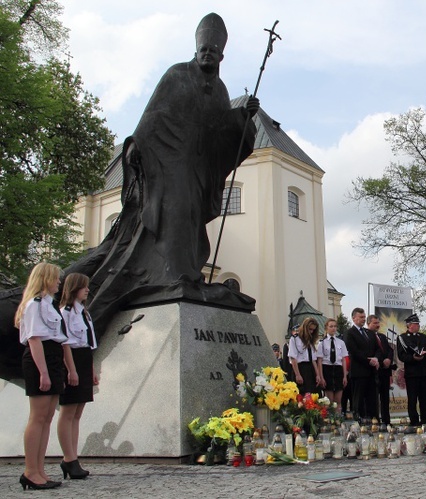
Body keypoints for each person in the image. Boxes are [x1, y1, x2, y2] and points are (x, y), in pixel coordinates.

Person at [60, 13, 261, 333]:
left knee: (192, 218)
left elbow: (220, 132)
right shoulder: (177, 75)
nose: (207, 54)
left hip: (197, 165)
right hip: (168, 161)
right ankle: (174, 275)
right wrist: (137, 146)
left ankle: (184, 274)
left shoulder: (221, 90)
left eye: (213, 50)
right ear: (196, 52)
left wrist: (242, 118)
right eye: (203, 50)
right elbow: (154, 114)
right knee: (177, 210)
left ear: (222, 55)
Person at [15, 262, 67, 490]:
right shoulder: (34, 305)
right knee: (37, 417)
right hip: (40, 357)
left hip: (52, 354)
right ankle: (30, 471)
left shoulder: (49, 304)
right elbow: (35, 339)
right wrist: (43, 372)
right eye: (56, 278)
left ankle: (40, 469)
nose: (59, 282)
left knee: (47, 417)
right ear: (46, 279)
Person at [57, 273, 98, 480]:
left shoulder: (84, 312)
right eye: (84, 287)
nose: (87, 290)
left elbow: (88, 345)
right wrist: (71, 370)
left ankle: (73, 458)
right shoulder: (65, 312)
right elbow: (65, 345)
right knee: (68, 411)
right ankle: (68, 458)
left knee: (77, 413)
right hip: (70, 360)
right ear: (74, 288)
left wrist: (91, 370)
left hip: (83, 360)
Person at [397, 313, 426, 425]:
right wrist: (413, 357)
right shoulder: (402, 338)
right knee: (412, 399)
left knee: (425, 398)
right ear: (409, 325)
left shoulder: (422, 337)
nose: (418, 325)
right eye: (416, 324)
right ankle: (414, 420)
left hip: (424, 372)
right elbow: (401, 355)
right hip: (412, 373)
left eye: (418, 323)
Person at [344, 308, 379, 420]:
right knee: (358, 399)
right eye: (361, 317)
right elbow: (354, 351)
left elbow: (377, 348)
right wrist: (369, 360)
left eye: (364, 317)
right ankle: (359, 420)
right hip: (359, 371)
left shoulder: (369, 332)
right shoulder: (350, 333)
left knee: (371, 398)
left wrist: (376, 358)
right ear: (354, 318)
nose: (363, 319)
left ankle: (373, 419)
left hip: (371, 371)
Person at [317, 318, 348, 413]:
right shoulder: (321, 343)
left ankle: (338, 419)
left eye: (335, 326)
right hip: (327, 369)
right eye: (331, 326)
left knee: (338, 399)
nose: (333, 328)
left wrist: (345, 376)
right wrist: (321, 377)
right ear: (326, 328)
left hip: (338, 370)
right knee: (329, 400)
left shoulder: (341, 342)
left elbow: (343, 360)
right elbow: (320, 361)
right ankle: (329, 421)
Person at [368, 314, 394, 424]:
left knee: (385, 398)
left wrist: (388, 359)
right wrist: (380, 360)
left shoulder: (382, 336)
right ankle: (375, 422)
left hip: (385, 372)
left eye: (378, 323)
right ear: (368, 324)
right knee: (373, 399)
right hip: (374, 372)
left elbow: (390, 350)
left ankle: (386, 421)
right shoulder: (367, 336)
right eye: (375, 323)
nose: (377, 325)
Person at [288, 317, 322, 396]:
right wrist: (298, 374)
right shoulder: (295, 339)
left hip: (311, 369)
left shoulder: (310, 340)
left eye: (313, 330)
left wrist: (317, 375)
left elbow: (313, 360)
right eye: (310, 329)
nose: (311, 331)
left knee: (314, 395)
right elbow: (293, 358)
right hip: (300, 368)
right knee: (302, 395)